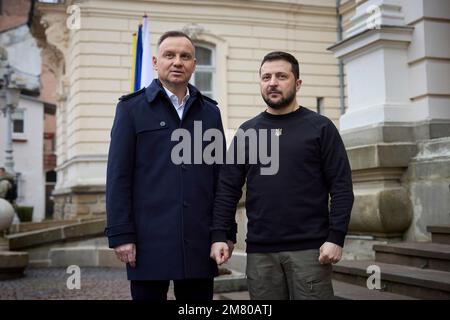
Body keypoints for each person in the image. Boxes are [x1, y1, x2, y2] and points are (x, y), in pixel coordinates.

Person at [210, 51, 354, 300]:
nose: (272, 82)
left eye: (281, 76)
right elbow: (227, 189)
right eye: (266, 77)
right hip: (260, 252)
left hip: (311, 251)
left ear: (297, 83)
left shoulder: (320, 128)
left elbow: (341, 187)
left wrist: (336, 237)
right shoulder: (248, 131)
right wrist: (221, 235)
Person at [105, 31, 233, 300]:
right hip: (148, 241)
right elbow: (118, 177)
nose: (177, 62)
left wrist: (223, 233)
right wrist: (121, 234)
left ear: (194, 64)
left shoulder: (210, 112)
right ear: (155, 61)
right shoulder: (131, 109)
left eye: (185, 56)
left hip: (200, 241)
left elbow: (220, 179)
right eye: (169, 55)